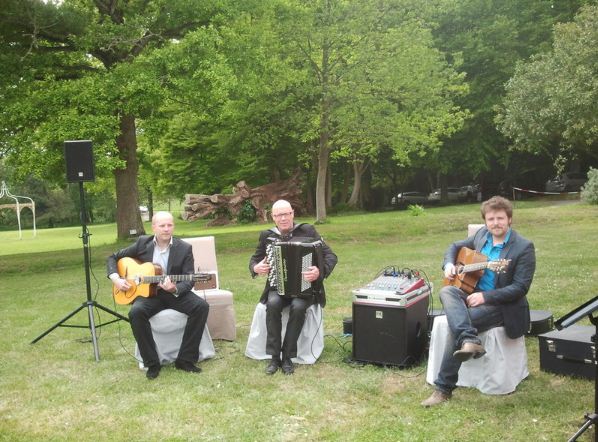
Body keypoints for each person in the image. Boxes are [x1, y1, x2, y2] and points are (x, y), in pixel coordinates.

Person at [422, 196, 535, 406]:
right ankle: (470, 339)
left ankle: (443, 389)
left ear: (509, 219)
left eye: (500, 218)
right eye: (491, 219)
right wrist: (448, 264)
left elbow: (520, 288)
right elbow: (454, 246)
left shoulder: (523, 247)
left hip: (502, 305)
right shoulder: (482, 235)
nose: (495, 223)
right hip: (471, 293)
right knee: (447, 291)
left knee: (457, 327)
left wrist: (485, 296)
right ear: (485, 221)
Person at [107, 211, 209, 380]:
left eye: (170, 225)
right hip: (148, 295)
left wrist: (174, 288)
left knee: (201, 307)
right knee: (136, 313)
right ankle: (152, 363)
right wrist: (116, 278)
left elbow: (189, 279)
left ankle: (185, 359)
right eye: (162, 225)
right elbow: (113, 257)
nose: (166, 229)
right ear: (153, 227)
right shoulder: (142, 243)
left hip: (172, 293)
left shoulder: (184, 248)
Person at [249, 200, 337, 375]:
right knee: (272, 305)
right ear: (273, 217)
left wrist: (319, 272)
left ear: (292, 214)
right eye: (278, 215)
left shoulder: (308, 231)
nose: (283, 218)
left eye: (286, 214)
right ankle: (274, 358)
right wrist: (255, 268)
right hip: (278, 286)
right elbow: (254, 260)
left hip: (305, 288)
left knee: (298, 307)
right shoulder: (267, 236)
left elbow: (331, 256)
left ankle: (287, 356)